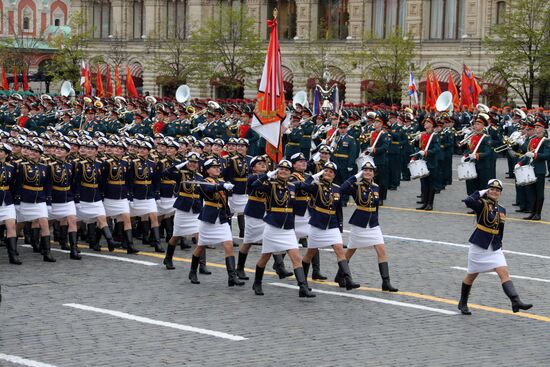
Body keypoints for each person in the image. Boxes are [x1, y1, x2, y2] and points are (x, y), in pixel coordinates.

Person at [457, 179, 533, 315]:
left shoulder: (502, 209)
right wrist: (481, 192)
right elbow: (468, 201)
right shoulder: (481, 204)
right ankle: (462, 302)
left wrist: (500, 245)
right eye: (492, 189)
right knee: (471, 275)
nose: (495, 192)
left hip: (494, 246)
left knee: (503, 272)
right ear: (487, 190)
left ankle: (516, 301)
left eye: (498, 190)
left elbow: (500, 229)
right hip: (479, 245)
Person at [250, 160, 315, 298]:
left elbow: (306, 185)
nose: (284, 171)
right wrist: (267, 175)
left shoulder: (292, 186)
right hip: (273, 226)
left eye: (287, 169)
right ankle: (257, 282)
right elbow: (254, 185)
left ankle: (302, 288)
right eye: (281, 169)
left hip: (287, 227)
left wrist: (314, 177)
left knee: (296, 257)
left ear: (291, 172)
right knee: (265, 257)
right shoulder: (270, 185)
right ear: (277, 171)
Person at [298, 162, 360, 290]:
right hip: (317, 224)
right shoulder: (317, 187)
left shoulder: (337, 189)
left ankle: (348, 280)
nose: (327, 173)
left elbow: (339, 208)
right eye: (325, 171)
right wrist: (313, 177)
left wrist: (356, 176)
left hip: (332, 225)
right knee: (310, 253)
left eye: (330, 172)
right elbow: (302, 186)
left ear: (334, 175)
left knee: (339, 250)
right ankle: (302, 281)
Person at [339, 161, 398, 291]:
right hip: (359, 223)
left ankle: (386, 282)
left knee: (381, 250)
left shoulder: (376, 187)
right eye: (365, 170)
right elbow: (341, 189)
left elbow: (376, 206)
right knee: (351, 250)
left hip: (373, 224)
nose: (367, 172)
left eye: (370, 170)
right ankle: (340, 275)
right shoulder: (356, 185)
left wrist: (376, 221)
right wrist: (355, 177)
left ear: (373, 173)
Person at [188, 158, 244, 287]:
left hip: (222, 218)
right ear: (207, 170)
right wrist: (221, 186)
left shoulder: (222, 181)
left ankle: (232, 276)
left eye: (218, 167)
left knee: (228, 244)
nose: (218, 169)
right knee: (201, 246)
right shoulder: (203, 182)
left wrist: (227, 186)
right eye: (214, 167)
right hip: (209, 218)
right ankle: (192, 271)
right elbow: (208, 190)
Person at [518, 116, 549, 221]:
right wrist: (520, 164)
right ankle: (532, 212)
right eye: (535, 126)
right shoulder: (532, 140)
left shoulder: (546, 141)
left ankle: (538, 213)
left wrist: (535, 155)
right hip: (529, 169)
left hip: (539, 170)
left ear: (543, 128)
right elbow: (527, 155)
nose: (536, 128)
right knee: (530, 192)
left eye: (539, 127)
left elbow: (547, 155)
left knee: (539, 192)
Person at [414, 116, 440, 211]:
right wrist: (416, 141)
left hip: (431, 163)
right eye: (425, 122)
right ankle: (424, 202)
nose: (425, 124)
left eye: (427, 122)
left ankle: (430, 203)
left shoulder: (435, 136)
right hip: (423, 163)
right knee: (424, 184)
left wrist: (427, 152)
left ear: (432, 125)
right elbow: (419, 148)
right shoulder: (423, 135)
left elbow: (437, 149)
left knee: (431, 184)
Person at [0, 143, 19, 264]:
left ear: (6, 154)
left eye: (1, 151)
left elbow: (13, 186)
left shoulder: (11, 168)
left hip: (7, 201)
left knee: (11, 226)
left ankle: (12, 255)